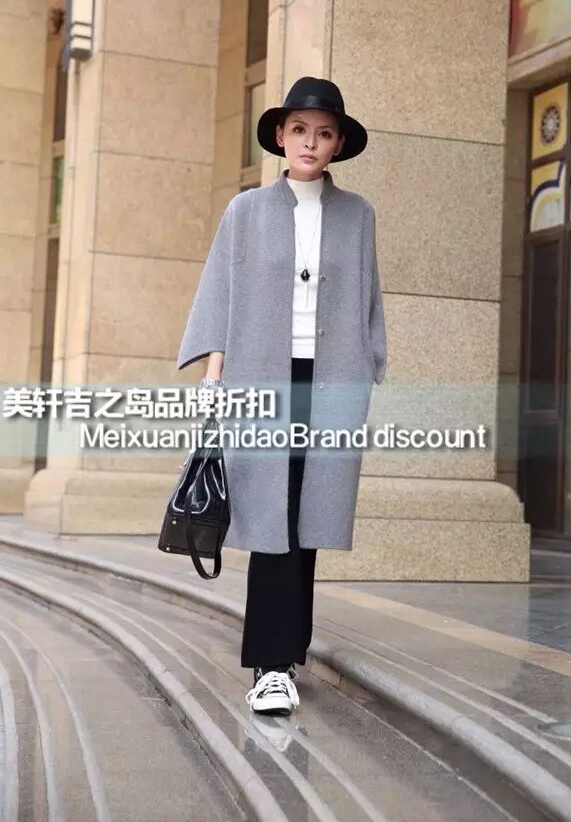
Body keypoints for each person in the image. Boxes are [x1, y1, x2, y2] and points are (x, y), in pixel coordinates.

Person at [176, 76, 387, 716]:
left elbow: (368, 300)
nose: (310, 142)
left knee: (308, 517)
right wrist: (214, 376)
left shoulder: (358, 215)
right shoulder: (245, 211)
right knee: (272, 516)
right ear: (279, 136)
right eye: (299, 130)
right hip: (262, 379)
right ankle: (271, 665)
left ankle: (287, 654)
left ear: (338, 144)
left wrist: (368, 367)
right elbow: (220, 292)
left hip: (330, 380)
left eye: (323, 133)